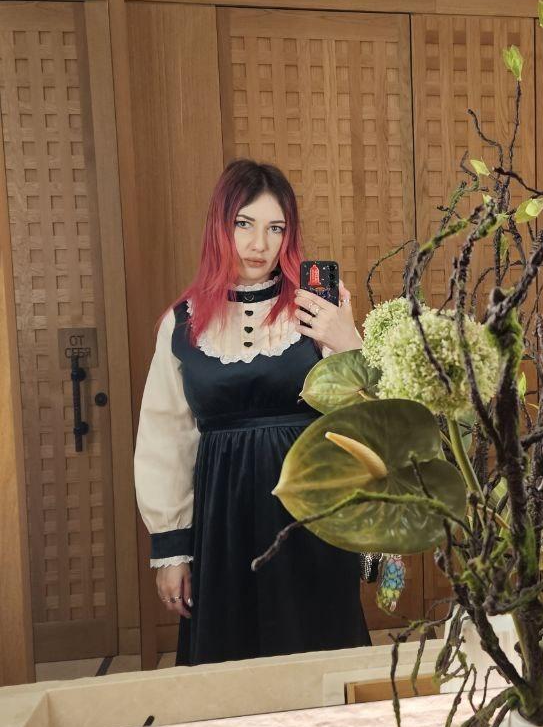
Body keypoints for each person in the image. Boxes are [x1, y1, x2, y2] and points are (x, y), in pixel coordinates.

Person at [134, 159, 371, 665]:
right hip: (222, 523)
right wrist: (171, 550)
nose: (259, 244)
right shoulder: (182, 323)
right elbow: (166, 439)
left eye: (275, 228)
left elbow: (367, 413)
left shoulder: (317, 310)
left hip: (310, 515)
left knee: (319, 658)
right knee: (229, 663)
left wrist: (347, 340)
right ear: (219, 227)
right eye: (244, 224)